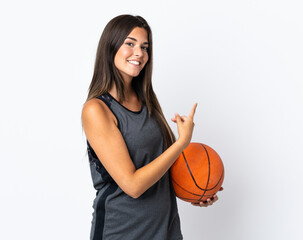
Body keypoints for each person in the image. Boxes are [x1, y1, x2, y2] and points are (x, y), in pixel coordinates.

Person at [81, 14, 221, 240]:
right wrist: (181, 143)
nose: (139, 53)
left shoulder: (147, 102)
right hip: (122, 232)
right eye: (130, 44)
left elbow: (158, 169)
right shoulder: (97, 110)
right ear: (111, 47)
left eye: (145, 47)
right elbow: (133, 185)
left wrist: (198, 187)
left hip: (165, 230)